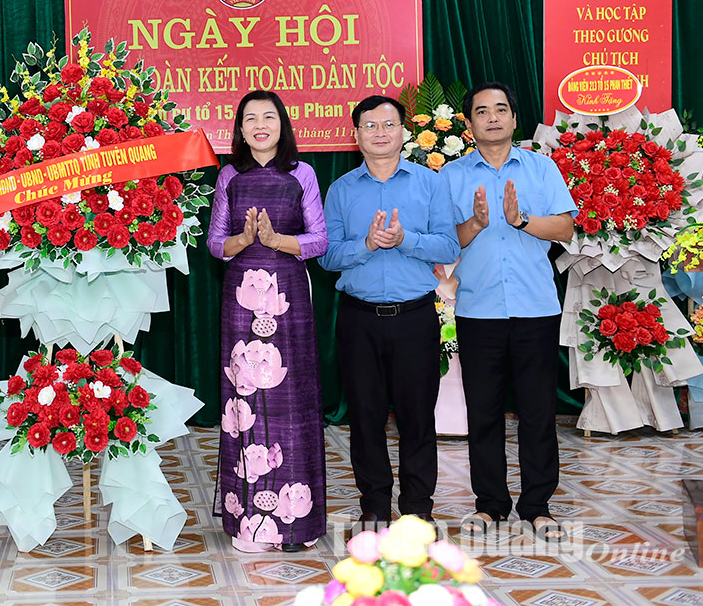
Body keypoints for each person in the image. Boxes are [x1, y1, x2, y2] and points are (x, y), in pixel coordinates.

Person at [441, 82, 575, 542]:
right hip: (479, 309)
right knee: (484, 412)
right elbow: (443, 243)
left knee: (539, 412)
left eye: (501, 109)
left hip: (535, 307)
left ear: (515, 119)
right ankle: (491, 505)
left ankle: (537, 505)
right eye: (482, 111)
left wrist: (521, 221)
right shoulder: (452, 176)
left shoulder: (541, 168)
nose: (493, 117)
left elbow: (565, 227)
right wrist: (475, 224)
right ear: (470, 123)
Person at [318, 96, 459, 532]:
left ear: (403, 132)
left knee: (418, 418)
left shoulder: (430, 183)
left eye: (389, 124)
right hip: (359, 320)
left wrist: (405, 240)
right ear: (356, 134)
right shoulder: (341, 189)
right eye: (370, 125)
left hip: (415, 317)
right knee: (365, 417)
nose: (380, 132)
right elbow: (327, 257)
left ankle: (418, 508)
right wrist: (368, 244)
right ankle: (374, 506)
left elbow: (449, 246)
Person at [207, 90, 329, 552]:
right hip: (240, 299)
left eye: (269, 117)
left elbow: (319, 241)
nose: (260, 125)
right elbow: (215, 245)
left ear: (283, 124)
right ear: (239, 129)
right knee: (245, 402)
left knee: (291, 401)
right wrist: (241, 239)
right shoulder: (229, 177)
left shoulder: (303, 174)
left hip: (288, 298)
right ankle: (248, 523)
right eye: (250, 118)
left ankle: (296, 525)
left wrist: (278, 240)